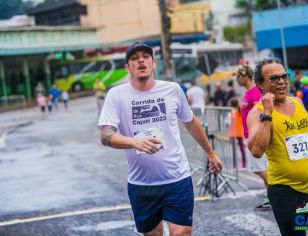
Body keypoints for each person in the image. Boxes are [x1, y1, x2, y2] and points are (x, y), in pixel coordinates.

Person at [98, 42, 222, 235]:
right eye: (134, 57)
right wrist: (132, 141)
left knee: (181, 232)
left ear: (154, 63)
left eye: (145, 56)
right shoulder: (116, 95)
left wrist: (211, 153)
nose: (140, 60)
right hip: (142, 185)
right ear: (127, 67)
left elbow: (190, 122)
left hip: (177, 178)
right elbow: (105, 135)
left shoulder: (172, 90)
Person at [247, 58, 308, 236]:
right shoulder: (257, 112)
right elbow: (256, 150)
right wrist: (268, 112)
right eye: (274, 78)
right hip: (285, 192)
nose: (281, 82)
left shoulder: (297, 102)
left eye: (284, 77)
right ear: (260, 84)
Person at [235, 65, 271, 210]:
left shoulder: (256, 92)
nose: (236, 80)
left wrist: (254, 136)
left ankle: (276, 193)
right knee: (261, 167)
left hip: (254, 136)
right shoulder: (248, 92)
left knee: (258, 168)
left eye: (238, 76)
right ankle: (271, 196)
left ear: (245, 76)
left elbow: (260, 114)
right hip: (248, 134)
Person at [227, 97, 246, 169]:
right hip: (239, 132)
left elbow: (228, 122)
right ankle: (244, 165)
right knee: (242, 149)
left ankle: (234, 166)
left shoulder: (230, 112)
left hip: (232, 132)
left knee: (234, 150)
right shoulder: (240, 111)